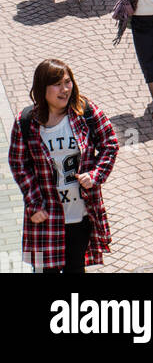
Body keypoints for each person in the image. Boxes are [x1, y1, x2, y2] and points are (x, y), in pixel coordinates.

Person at [8, 59, 119, 274]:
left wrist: (96, 174)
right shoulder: (26, 121)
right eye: (57, 84)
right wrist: (33, 202)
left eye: (68, 82)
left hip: (80, 214)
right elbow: (19, 164)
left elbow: (110, 144)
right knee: (42, 271)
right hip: (45, 215)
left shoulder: (85, 111)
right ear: (43, 87)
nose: (65, 89)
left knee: (75, 271)